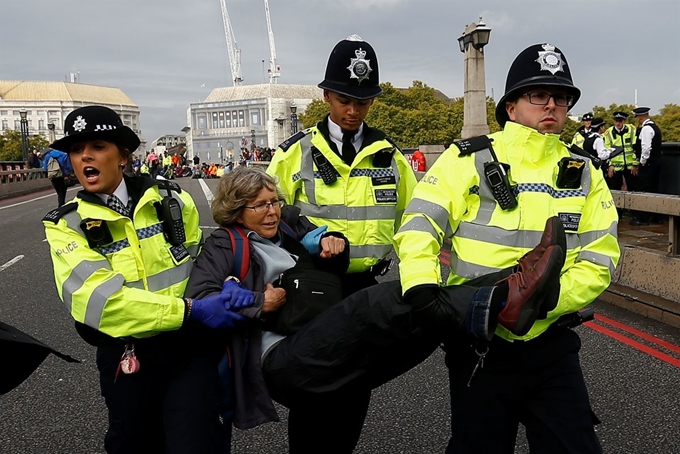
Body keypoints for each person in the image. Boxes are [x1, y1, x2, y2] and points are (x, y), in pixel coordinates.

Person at [186, 167, 564, 454]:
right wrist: (257, 302)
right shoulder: (224, 246)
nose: (271, 212)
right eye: (260, 206)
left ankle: (514, 279)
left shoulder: (288, 226)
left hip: (320, 340)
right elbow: (202, 301)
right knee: (385, 301)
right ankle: (507, 297)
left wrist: (333, 242)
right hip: (281, 358)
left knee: (425, 326)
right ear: (237, 209)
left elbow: (320, 239)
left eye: (274, 202)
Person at [394, 43, 621, 453]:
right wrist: (422, 287)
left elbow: (601, 255)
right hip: (480, 343)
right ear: (511, 107)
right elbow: (419, 222)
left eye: (561, 97)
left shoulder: (584, 170)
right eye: (538, 94)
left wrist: (544, 301)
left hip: (552, 341)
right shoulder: (467, 159)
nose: (551, 104)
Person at [42, 105, 250, 454]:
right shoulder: (67, 226)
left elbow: (202, 259)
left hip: (189, 349)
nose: (85, 157)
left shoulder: (171, 199)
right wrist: (191, 310)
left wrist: (226, 279)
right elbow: (100, 302)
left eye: (97, 146)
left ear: (123, 155)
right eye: (76, 151)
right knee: (136, 445)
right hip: (128, 356)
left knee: (197, 443)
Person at [267, 34, 417, 297]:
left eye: (362, 103)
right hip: (312, 283)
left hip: (369, 286)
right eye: (344, 101)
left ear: (372, 101)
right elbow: (268, 218)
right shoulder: (294, 152)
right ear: (327, 95)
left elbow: (413, 222)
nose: (352, 111)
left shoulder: (391, 156)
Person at [632, 106, 664, 225]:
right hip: (657, 160)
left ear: (640, 118)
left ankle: (643, 218)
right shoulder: (655, 127)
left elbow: (646, 148)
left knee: (644, 188)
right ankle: (657, 216)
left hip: (649, 162)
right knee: (655, 188)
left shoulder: (646, 129)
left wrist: (642, 162)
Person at [603, 110, 638, 192]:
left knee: (634, 189)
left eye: (620, 121)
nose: (618, 123)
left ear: (624, 121)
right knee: (614, 190)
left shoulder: (631, 130)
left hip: (630, 166)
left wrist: (635, 164)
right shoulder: (608, 133)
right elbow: (606, 151)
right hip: (615, 167)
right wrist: (609, 165)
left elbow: (636, 148)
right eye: (616, 121)